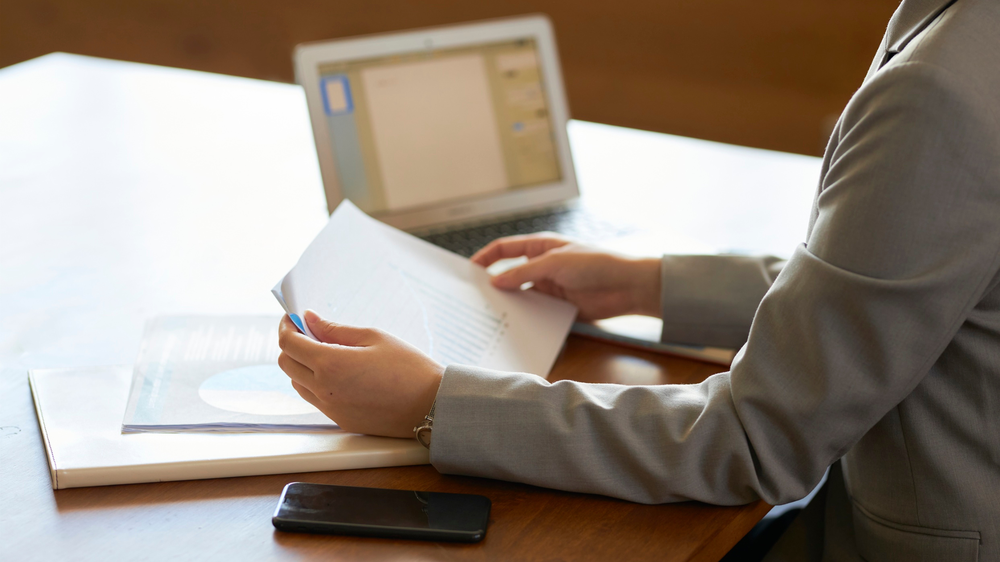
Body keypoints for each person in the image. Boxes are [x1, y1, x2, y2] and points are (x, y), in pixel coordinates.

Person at [277, 0, 1000, 559]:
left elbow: (751, 441)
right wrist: (646, 284)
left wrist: (434, 405)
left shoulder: (942, 92)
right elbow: (896, 282)